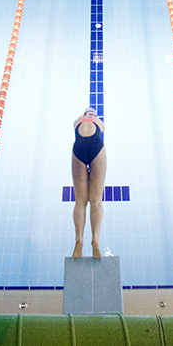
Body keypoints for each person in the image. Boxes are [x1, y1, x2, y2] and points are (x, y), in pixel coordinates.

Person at [71, 107, 106, 258]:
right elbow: (100, 129)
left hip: (78, 149)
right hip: (95, 147)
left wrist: (82, 116)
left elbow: (77, 124)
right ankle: (95, 239)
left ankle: (79, 240)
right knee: (96, 201)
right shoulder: (99, 122)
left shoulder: (77, 122)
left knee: (80, 202)